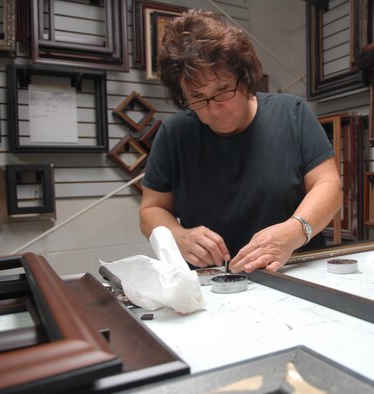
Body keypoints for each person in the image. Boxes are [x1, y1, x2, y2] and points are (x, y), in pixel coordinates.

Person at [139, 9, 342, 274]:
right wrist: (177, 235)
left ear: (244, 78)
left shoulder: (292, 113)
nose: (214, 109)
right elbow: (151, 209)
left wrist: (293, 231)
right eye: (197, 98)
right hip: (210, 282)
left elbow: (329, 186)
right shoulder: (174, 134)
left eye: (223, 90)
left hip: (293, 271)